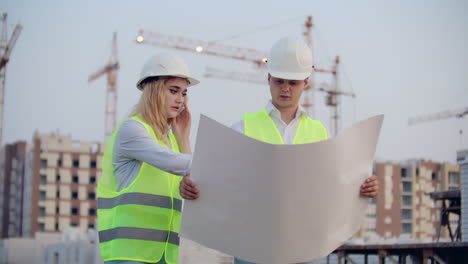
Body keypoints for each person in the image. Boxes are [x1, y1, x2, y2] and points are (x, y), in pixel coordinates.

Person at [227, 36, 379, 264]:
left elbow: (332, 188)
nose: (286, 89)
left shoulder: (320, 134)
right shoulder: (243, 128)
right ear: (268, 78)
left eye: (293, 83)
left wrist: (362, 188)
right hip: (253, 248)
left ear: (306, 83)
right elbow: (219, 179)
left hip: (302, 249)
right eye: (279, 81)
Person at [97, 53, 200, 264]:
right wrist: (224, 166)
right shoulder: (133, 130)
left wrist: (183, 138)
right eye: (173, 91)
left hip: (163, 255)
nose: (180, 99)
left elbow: (192, 177)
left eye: (184, 93)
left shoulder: (168, 140)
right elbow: (174, 163)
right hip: (131, 254)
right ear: (153, 90)